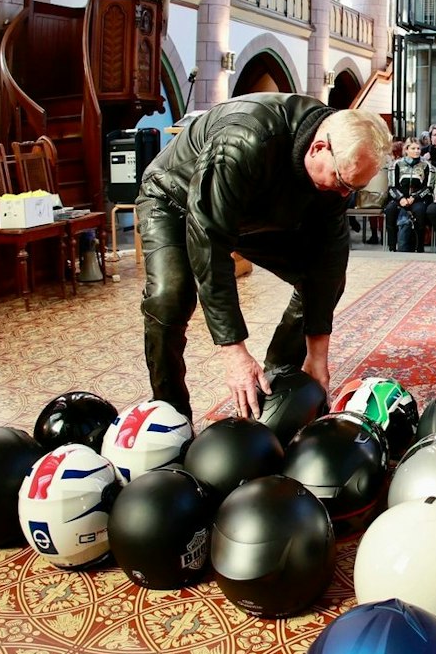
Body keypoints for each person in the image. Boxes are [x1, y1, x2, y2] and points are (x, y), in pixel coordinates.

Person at [137, 95, 389, 419]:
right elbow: (209, 242)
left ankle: (279, 377)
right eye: (342, 182)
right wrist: (234, 352)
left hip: (254, 211)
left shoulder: (335, 170)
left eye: (354, 188)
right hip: (175, 199)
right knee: (169, 296)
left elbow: (329, 262)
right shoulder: (245, 139)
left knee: (322, 277)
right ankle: (171, 412)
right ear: (318, 148)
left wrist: (317, 355)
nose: (344, 195)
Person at [384, 137, 434, 253]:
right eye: (413, 148)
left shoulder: (427, 166)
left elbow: (428, 188)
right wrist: (400, 198)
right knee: (390, 210)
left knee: (420, 211)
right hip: (399, 198)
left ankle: (419, 247)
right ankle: (392, 247)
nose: (416, 151)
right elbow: (392, 187)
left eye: (418, 148)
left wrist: (414, 198)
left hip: (419, 198)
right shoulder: (396, 165)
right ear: (406, 150)